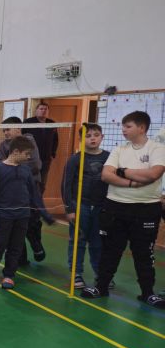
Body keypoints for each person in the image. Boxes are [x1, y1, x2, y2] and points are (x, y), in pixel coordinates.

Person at [81, 111, 165, 308]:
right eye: (123, 126)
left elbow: (153, 174)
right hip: (115, 207)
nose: (123, 130)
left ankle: (147, 292)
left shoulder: (157, 149)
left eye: (128, 126)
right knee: (110, 250)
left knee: (144, 253)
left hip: (146, 209)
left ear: (141, 128)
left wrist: (122, 171)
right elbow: (106, 175)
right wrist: (132, 183)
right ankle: (101, 287)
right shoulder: (119, 149)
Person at [0, 136, 54, 290]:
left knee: (16, 247)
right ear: (15, 152)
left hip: (22, 217)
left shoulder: (26, 170)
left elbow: (34, 195)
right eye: (27, 154)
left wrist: (46, 215)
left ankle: (9, 275)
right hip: (3, 217)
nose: (29, 157)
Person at [61, 123, 109, 289]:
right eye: (88, 136)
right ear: (81, 139)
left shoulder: (109, 158)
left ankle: (100, 273)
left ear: (102, 137)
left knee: (98, 242)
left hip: (100, 207)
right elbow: (66, 185)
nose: (92, 139)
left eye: (96, 135)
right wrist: (69, 208)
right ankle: (76, 273)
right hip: (80, 205)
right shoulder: (75, 159)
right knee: (78, 240)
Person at [0, 117, 45, 263]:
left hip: (30, 187)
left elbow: (35, 165)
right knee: (14, 222)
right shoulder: (3, 145)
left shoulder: (29, 141)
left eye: (8, 129)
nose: (5, 133)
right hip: (10, 189)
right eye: (4, 130)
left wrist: (10, 166)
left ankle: (36, 245)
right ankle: (19, 256)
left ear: (18, 128)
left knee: (32, 220)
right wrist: (14, 167)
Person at [23, 102, 58, 194]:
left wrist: (52, 153)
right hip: (30, 159)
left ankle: (38, 200)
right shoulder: (28, 122)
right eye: (41, 109)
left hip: (46, 159)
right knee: (30, 181)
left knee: (42, 183)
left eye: (45, 109)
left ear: (48, 111)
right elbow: (22, 139)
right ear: (36, 111)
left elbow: (55, 140)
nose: (43, 111)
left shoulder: (52, 123)